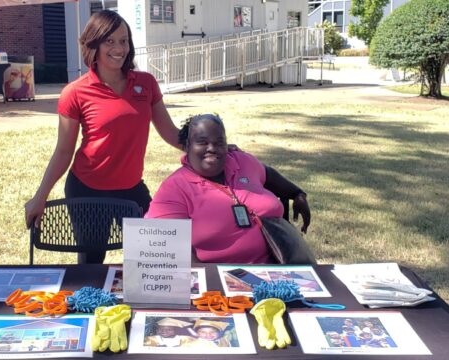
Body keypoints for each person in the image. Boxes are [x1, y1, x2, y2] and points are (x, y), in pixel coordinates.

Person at [24, 10, 181, 263]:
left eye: (124, 40)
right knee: (91, 268)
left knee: (152, 260)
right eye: (110, 41)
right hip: (87, 190)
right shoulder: (75, 92)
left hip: (132, 190)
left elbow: (171, 133)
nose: (119, 48)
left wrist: (211, 148)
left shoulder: (146, 84)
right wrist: (39, 197)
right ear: (94, 44)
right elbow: (64, 151)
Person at [145, 114, 311, 264]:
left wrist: (297, 194)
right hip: (219, 281)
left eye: (219, 142)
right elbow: (170, 250)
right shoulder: (174, 189)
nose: (212, 148)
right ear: (187, 146)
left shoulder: (242, 161)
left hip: (276, 268)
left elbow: (268, 174)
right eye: (202, 142)